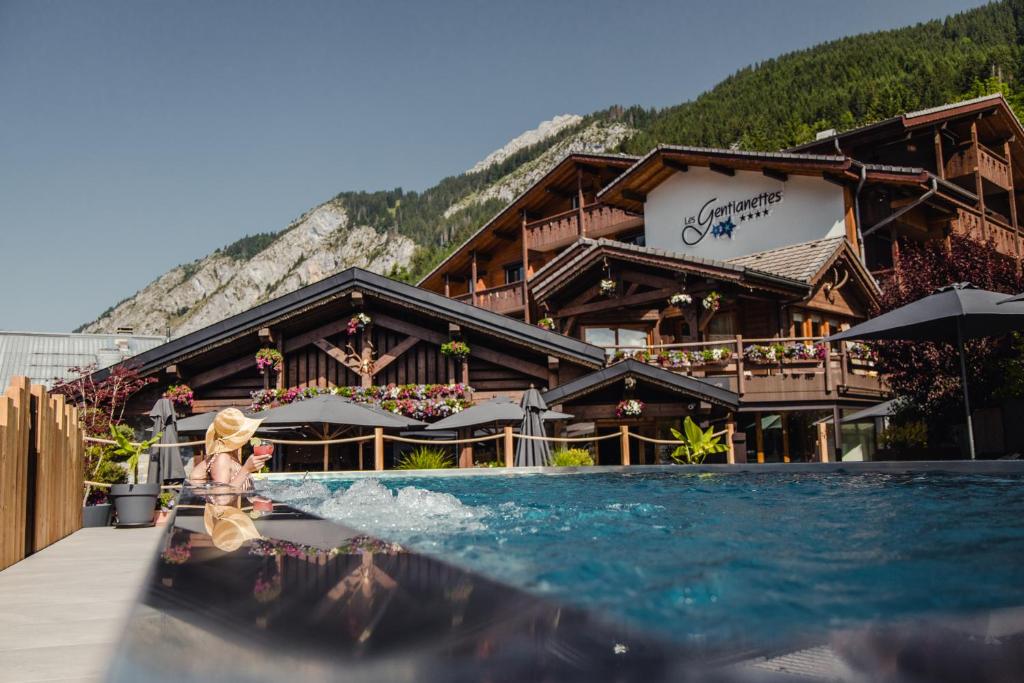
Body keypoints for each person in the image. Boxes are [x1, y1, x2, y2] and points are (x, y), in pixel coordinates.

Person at [190, 408, 270, 492]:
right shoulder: (222, 458)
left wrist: (251, 499)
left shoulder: (230, 455)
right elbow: (221, 498)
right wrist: (246, 469)